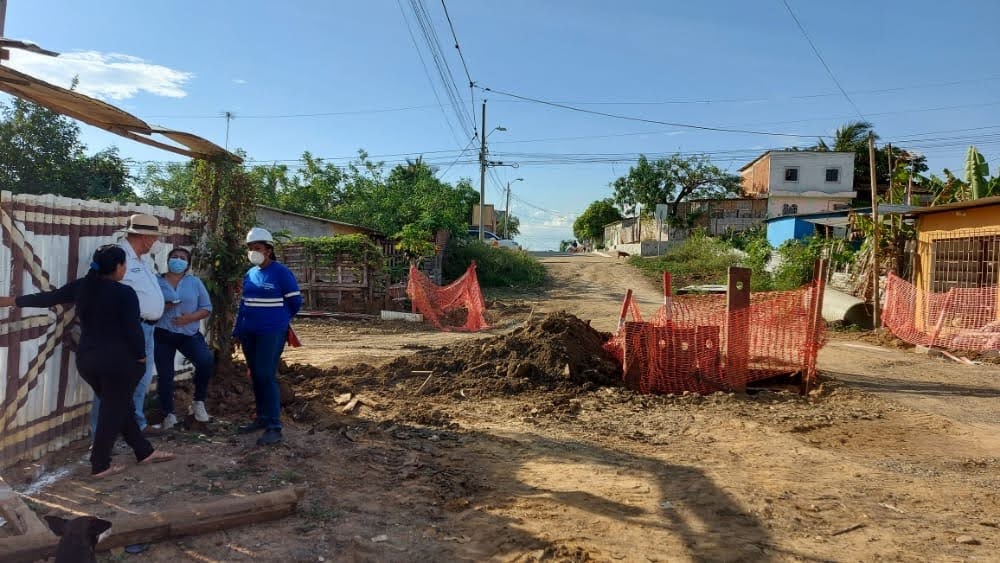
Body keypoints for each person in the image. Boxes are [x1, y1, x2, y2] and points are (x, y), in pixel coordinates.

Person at [1, 246, 174, 476]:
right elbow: (133, 330)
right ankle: (100, 464)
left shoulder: (82, 286)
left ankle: (144, 451)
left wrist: (11, 300)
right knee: (112, 412)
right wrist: (141, 357)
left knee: (120, 407)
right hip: (118, 363)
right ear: (118, 267)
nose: (124, 269)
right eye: (124, 265)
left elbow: (48, 298)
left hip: (88, 361)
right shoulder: (125, 293)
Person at [232, 227, 302, 446]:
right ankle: (262, 418)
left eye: (257, 248)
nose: (253, 252)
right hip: (249, 332)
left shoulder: (281, 273)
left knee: (265, 374)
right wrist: (237, 331)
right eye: (250, 248)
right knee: (256, 375)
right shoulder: (250, 274)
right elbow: (243, 305)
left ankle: (274, 427)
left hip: (271, 333)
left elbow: (295, 302)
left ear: (268, 250)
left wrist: (279, 321)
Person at [111, 213, 167, 435]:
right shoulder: (119, 257)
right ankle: (104, 434)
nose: (156, 242)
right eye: (154, 238)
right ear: (145, 237)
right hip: (130, 329)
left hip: (147, 328)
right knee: (118, 381)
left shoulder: (142, 260)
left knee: (141, 380)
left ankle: (136, 425)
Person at [152, 247, 214, 431]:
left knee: (205, 361)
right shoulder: (156, 281)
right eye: (174, 257)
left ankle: (198, 402)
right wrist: (163, 307)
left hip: (188, 334)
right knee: (165, 374)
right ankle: (168, 414)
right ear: (168, 260)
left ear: (187, 264)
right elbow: (147, 306)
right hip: (163, 334)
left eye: (182, 258)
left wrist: (190, 318)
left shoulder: (194, 282)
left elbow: (207, 307)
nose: (178, 260)